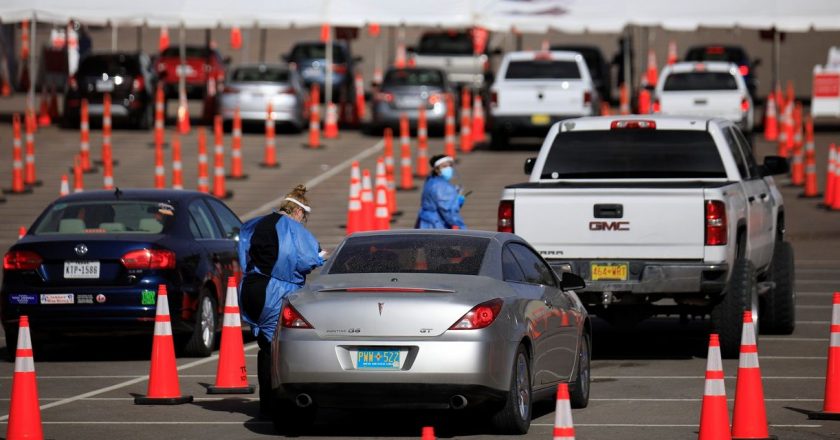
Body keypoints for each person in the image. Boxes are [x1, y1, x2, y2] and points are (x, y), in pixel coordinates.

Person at [237, 184, 325, 418]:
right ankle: (274, 404)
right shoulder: (294, 229)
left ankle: (267, 403)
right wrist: (319, 258)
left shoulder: (258, 223)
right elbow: (308, 259)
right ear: (299, 212)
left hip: (249, 289)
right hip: (272, 291)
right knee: (276, 349)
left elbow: (243, 248)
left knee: (265, 347)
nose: (302, 221)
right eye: (303, 217)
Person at [415, 154, 467, 229]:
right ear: (437, 169)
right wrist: (462, 227)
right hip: (436, 225)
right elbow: (448, 211)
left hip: (425, 223)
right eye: (444, 166)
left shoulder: (431, 180)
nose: (449, 168)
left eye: (450, 166)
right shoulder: (443, 186)